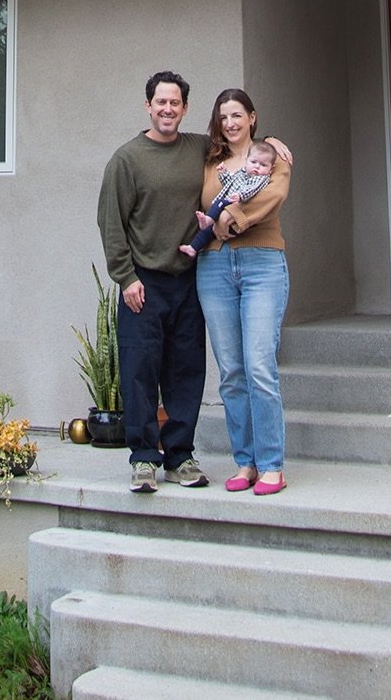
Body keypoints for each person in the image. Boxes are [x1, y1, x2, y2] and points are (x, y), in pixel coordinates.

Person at [97, 70, 212, 493]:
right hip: (142, 283)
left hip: (187, 282)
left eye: (175, 103)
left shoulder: (200, 148)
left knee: (186, 372)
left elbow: (243, 145)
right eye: (160, 102)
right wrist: (125, 277)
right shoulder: (127, 159)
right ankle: (144, 457)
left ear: (184, 108)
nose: (168, 109)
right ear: (148, 106)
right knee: (140, 371)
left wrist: (273, 144)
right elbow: (111, 223)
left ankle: (180, 456)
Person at [195, 87, 292, 496]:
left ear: (252, 117)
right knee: (232, 371)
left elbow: (273, 197)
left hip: (261, 264)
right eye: (223, 117)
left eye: (238, 115)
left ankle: (272, 465)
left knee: (259, 366)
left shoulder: (272, 157)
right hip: (214, 268)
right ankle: (245, 461)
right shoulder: (209, 160)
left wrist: (227, 221)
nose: (230, 123)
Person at [179, 139, 277, 257]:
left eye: (263, 165)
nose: (257, 167)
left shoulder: (261, 178)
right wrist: (224, 173)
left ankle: (208, 219)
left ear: (271, 169)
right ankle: (193, 248)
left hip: (238, 214)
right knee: (209, 230)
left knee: (219, 204)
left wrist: (241, 196)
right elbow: (230, 184)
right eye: (253, 162)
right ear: (247, 160)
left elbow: (253, 190)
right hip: (230, 210)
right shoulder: (243, 173)